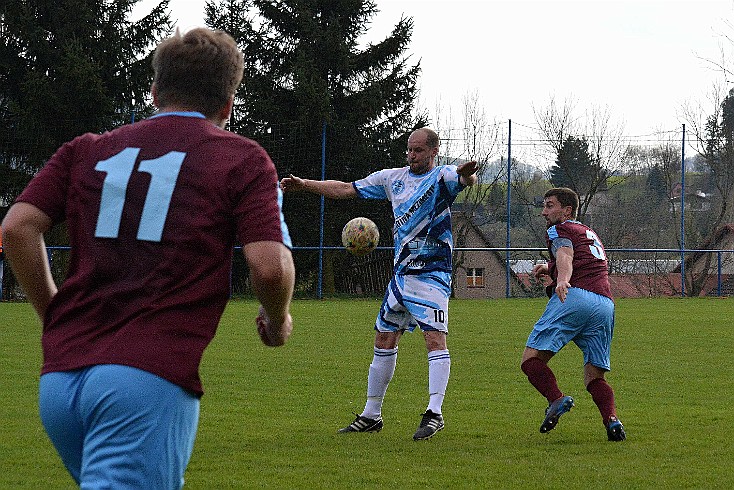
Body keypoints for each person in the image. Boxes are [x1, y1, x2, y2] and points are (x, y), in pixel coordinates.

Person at [1, 27, 295, 488]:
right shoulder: (241, 158)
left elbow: (16, 228)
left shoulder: (86, 149)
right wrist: (277, 320)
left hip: (60, 381)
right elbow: (270, 267)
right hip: (145, 379)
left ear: (155, 91)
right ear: (228, 106)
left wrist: (55, 315)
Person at [280, 128, 478, 441]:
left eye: (418, 151)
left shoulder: (442, 178)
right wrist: (305, 185)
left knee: (434, 339)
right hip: (400, 278)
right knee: (384, 340)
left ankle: (434, 412)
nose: (411, 156)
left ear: (433, 152)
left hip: (432, 276)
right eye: (409, 150)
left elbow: (464, 179)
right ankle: (372, 414)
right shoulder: (392, 178)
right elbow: (346, 189)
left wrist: (469, 175)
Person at [521, 187, 625, 442]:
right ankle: (612, 420)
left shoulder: (560, 229)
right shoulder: (588, 232)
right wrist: (550, 269)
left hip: (576, 298)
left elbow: (566, 255)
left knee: (531, 360)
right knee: (594, 375)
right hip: (604, 304)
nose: (544, 212)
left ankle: (556, 399)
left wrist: (562, 280)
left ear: (567, 210)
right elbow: (580, 260)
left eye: (549, 206)